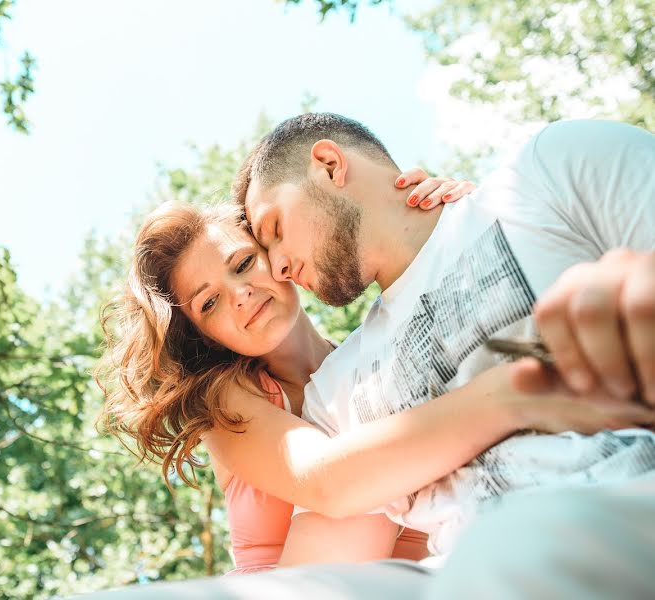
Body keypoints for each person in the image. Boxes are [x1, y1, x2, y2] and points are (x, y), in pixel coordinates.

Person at [95, 172, 652, 575]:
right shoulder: (229, 400)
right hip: (305, 582)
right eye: (209, 303)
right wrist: (517, 393)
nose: (240, 296)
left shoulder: (371, 366)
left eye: (243, 264)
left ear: (277, 256)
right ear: (204, 334)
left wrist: (447, 223)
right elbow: (331, 484)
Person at [232, 114, 655, 592]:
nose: (279, 268)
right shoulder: (334, 393)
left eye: (275, 229)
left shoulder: (546, 173)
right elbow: (313, 584)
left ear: (329, 165)